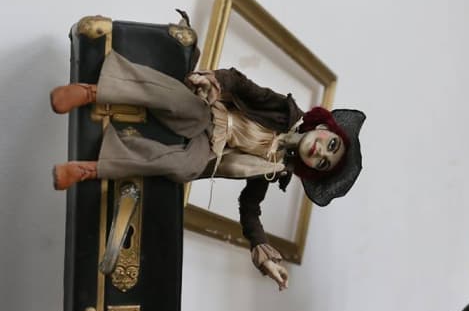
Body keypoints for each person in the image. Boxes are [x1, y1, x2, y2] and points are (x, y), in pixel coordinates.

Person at [50, 50, 365, 291]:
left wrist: (262, 251)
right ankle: (92, 92)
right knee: (181, 103)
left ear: (312, 170)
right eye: (331, 144)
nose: (320, 152)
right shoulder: (284, 112)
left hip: (208, 148)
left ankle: (90, 168)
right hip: (209, 111)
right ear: (324, 127)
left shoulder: (275, 168)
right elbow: (242, 84)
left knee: (185, 167)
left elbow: (250, 206)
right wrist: (214, 81)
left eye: (323, 162)